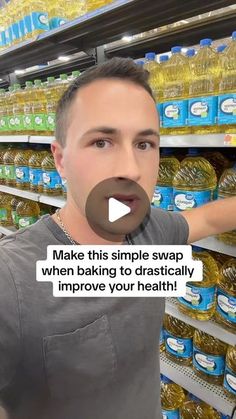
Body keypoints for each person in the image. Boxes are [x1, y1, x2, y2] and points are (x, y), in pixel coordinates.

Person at [0, 57, 235, 419]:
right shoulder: (13, 278)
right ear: (60, 160)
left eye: (144, 144)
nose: (130, 169)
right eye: (101, 142)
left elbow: (206, 216)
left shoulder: (150, 232)